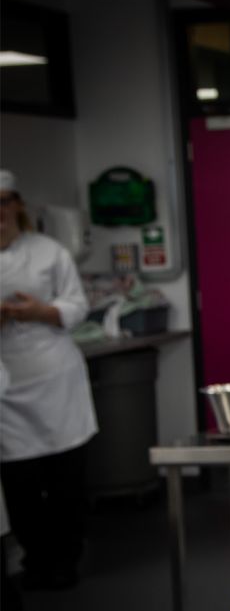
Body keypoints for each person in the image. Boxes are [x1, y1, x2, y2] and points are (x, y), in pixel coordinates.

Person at [0, 168, 96, 590]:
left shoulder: (49, 251)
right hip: (6, 386)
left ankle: (66, 560)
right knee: (18, 485)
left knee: (65, 481)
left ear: (17, 205)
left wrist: (42, 312)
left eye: (4, 203)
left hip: (55, 378)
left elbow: (77, 305)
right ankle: (35, 559)